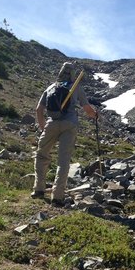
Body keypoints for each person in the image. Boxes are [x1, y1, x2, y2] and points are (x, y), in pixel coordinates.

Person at [31, 62, 98, 206]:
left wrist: (44, 128)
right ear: (73, 74)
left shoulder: (50, 87)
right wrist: (94, 115)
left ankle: (38, 189)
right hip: (70, 124)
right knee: (63, 161)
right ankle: (57, 196)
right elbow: (86, 108)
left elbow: (38, 109)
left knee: (41, 155)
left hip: (51, 123)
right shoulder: (76, 87)